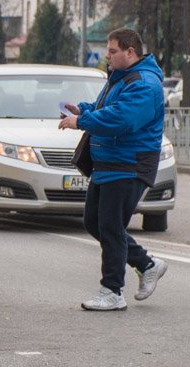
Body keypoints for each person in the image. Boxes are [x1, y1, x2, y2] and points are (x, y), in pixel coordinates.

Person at [59, 28, 168, 312]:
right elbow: (103, 108)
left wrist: (80, 122)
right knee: (94, 222)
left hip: (129, 164)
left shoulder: (144, 83)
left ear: (130, 52)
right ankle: (147, 264)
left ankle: (112, 291)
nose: (107, 56)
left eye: (112, 51)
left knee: (109, 226)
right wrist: (83, 110)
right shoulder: (120, 78)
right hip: (110, 163)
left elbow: (121, 119)